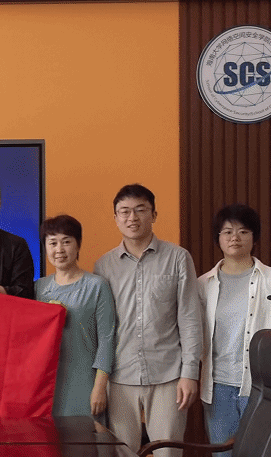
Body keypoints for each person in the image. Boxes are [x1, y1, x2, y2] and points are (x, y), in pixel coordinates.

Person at [93, 184, 202, 457]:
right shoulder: (104, 265)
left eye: (140, 210)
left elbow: (189, 318)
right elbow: (103, 328)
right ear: (115, 218)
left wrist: (190, 373)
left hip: (168, 375)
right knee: (122, 453)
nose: (132, 218)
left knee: (168, 452)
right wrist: (100, 381)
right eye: (124, 211)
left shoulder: (178, 258)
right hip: (120, 375)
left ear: (154, 215)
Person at [198, 204, 271, 453]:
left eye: (243, 231)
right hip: (217, 388)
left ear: (254, 237)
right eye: (227, 232)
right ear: (218, 239)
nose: (235, 237)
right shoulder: (202, 285)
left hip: (263, 388)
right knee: (222, 453)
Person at [34, 215, 115, 419]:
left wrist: (100, 387)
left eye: (66, 242)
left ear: (78, 245)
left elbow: (107, 340)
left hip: (85, 382)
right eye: (52, 243)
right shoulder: (38, 288)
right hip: (46, 385)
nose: (59, 250)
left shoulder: (97, 286)